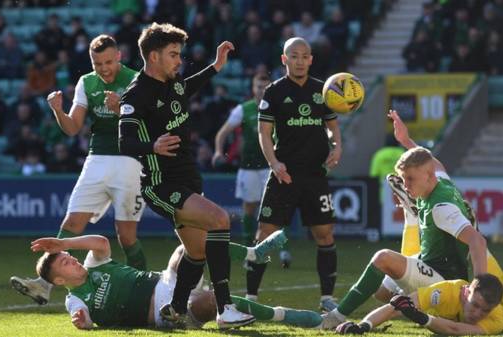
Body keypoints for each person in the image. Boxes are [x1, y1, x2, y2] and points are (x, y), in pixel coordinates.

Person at [118, 23, 262, 329]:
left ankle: (175, 309)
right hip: (160, 184)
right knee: (220, 220)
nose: (179, 60)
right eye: (173, 54)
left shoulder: (174, 81)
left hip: (187, 178)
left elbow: (188, 87)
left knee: (196, 251)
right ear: (153, 56)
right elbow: (124, 141)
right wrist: (152, 145)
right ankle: (225, 309)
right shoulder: (136, 93)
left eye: (179, 54)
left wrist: (215, 67)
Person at [10, 35, 147, 305]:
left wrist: (121, 110)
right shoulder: (86, 82)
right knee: (71, 223)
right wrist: (58, 111)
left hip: (131, 161)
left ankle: (143, 288)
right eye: (98, 64)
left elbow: (148, 125)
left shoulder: (137, 79)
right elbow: (73, 127)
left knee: (126, 236)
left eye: (108, 62)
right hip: (96, 159)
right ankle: (43, 285)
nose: (104, 68)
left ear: (119, 56)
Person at [321, 110, 488, 328]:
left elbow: (478, 241)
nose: (406, 185)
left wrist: (479, 288)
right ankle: (409, 300)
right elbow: (434, 163)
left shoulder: (441, 208)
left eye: (410, 179)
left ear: (428, 177)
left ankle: (335, 316)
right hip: (431, 261)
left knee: (383, 258)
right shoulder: (440, 180)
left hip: (444, 279)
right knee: (381, 292)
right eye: (403, 179)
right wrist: (406, 141)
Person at [31, 233, 317, 329]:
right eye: (66, 262)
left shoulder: (95, 264)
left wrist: (63, 241)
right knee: (213, 302)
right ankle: (285, 315)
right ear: (58, 279)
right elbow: (82, 319)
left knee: (191, 243)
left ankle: (252, 254)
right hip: (164, 311)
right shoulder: (75, 299)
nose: (73, 259)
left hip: (167, 279)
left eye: (69, 256)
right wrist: (82, 322)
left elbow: (101, 241)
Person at [247, 37, 342, 311]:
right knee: (265, 234)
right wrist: (274, 163)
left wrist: (337, 147)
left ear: (311, 59)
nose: (299, 60)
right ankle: (251, 298)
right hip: (283, 174)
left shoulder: (322, 91)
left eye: (304, 56)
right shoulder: (274, 92)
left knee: (324, 234)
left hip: (315, 175)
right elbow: (264, 134)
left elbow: (333, 127)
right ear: (284, 59)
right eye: (294, 56)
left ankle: (326, 299)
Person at [212, 72, 293, 267]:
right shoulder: (243, 109)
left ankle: (284, 251)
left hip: (272, 166)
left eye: (265, 87)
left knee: (278, 209)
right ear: (252, 88)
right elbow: (223, 132)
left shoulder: (280, 107)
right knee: (249, 209)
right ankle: (250, 252)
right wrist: (218, 151)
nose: (261, 90)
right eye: (258, 86)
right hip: (248, 167)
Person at [335, 273, 503, 335]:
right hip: (446, 285)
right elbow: (397, 306)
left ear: (494, 308)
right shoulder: (447, 291)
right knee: (382, 293)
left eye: (485, 310)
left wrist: (421, 317)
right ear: (465, 293)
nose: (478, 314)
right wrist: (363, 326)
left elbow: (455, 330)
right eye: (475, 305)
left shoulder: (497, 318)